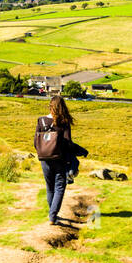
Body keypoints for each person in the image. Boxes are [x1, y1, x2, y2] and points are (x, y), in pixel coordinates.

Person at [34, 95, 86, 225]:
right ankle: (52, 217)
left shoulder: (41, 121)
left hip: (44, 158)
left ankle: (52, 213)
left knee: (49, 187)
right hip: (59, 159)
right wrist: (79, 151)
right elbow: (68, 143)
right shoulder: (64, 122)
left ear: (50, 107)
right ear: (62, 107)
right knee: (59, 187)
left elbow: (36, 142)